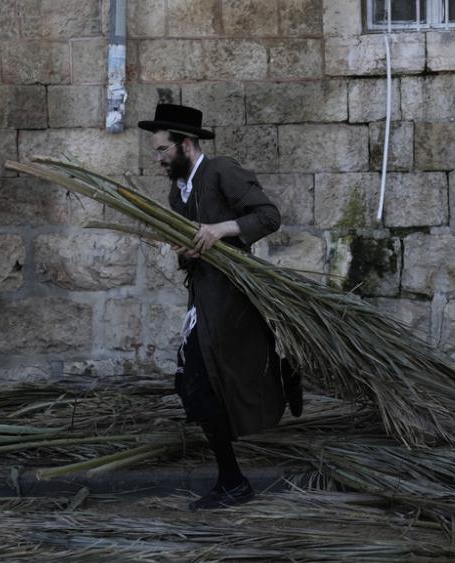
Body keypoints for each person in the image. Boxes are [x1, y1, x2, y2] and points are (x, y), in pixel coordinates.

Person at [138, 103, 303, 510]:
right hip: (204, 299)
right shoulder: (178, 191)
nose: (158, 160)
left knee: (201, 382)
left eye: (163, 151)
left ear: (187, 144)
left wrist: (218, 231)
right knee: (194, 384)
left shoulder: (221, 171)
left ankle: (233, 481)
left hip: (234, 299)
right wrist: (188, 252)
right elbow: (192, 250)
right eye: (156, 152)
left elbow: (268, 216)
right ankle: (233, 478)